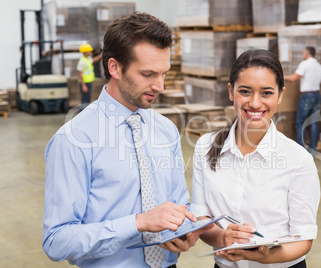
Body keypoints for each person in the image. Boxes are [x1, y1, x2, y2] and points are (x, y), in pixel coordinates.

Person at [43, 12, 210, 267]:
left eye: (164, 74)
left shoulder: (166, 130)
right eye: (148, 74)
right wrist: (138, 223)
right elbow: (57, 241)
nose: (160, 86)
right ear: (115, 68)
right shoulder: (74, 139)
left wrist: (183, 231)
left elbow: (178, 204)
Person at [191, 49, 321, 268]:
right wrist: (223, 238)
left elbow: (303, 239)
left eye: (266, 93)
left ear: (280, 95)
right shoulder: (205, 147)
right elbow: (202, 218)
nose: (255, 103)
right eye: (245, 91)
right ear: (231, 91)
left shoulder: (298, 160)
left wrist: (265, 257)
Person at [284, 46, 321, 154]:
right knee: (313, 122)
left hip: (307, 96)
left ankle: (300, 149)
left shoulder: (305, 64)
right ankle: (313, 149)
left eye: (303, 53)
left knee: (300, 122)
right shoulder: (320, 67)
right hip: (316, 95)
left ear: (306, 54)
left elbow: (293, 78)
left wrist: (282, 77)